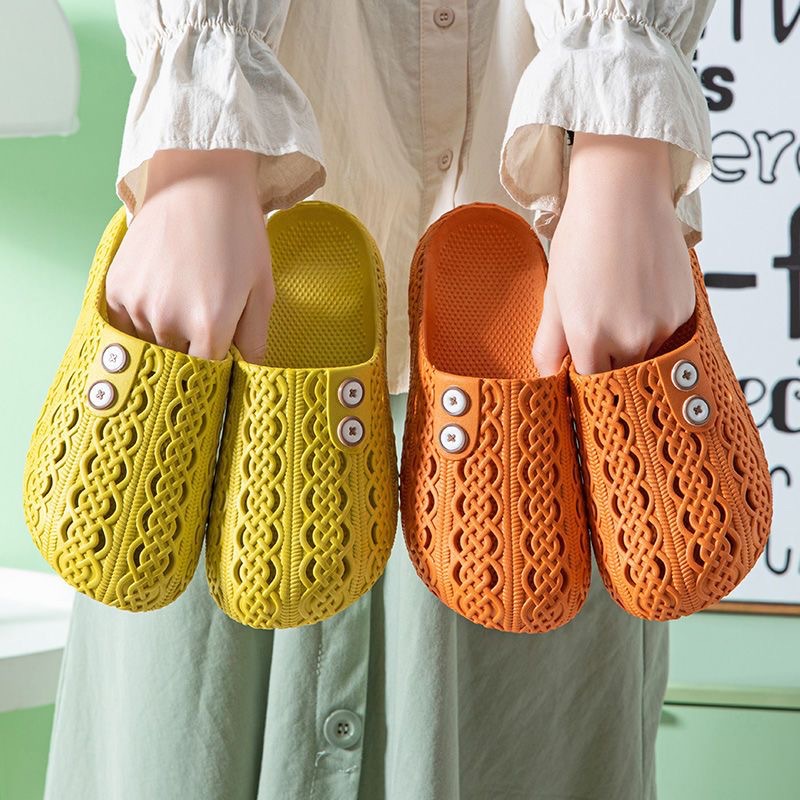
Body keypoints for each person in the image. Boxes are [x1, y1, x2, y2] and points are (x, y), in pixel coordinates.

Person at [44, 2, 716, 798]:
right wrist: (200, 140)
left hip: (550, 379)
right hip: (216, 332)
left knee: (524, 675)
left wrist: (622, 149)